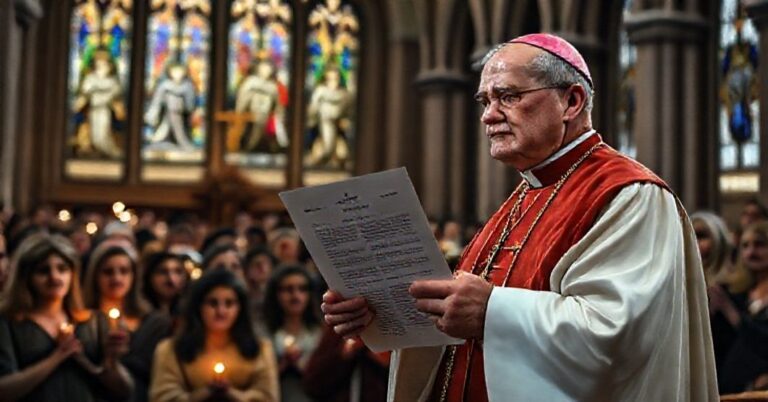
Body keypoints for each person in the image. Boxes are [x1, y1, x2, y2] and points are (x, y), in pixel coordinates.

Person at [321, 33, 718, 401]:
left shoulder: (630, 195)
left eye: (507, 96)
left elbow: (618, 335)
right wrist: (383, 312)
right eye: (485, 101)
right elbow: (458, 323)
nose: (488, 116)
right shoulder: (522, 197)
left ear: (571, 101)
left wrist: (492, 312)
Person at [0, 233, 133, 401]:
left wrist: (111, 361)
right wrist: (56, 357)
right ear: (27, 276)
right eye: (43, 270)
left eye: (62, 269)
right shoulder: (10, 323)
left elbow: (123, 391)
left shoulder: (92, 322)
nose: (54, 277)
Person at [149, 269, 279, 402]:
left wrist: (232, 394)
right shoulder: (170, 349)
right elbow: (163, 397)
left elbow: (267, 397)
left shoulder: (261, 348)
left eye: (229, 303)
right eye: (213, 303)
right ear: (198, 307)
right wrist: (205, 392)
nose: (221, 311)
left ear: (240, 308)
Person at [82, 239, 172, 402]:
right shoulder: (84, 321)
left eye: (124, 271)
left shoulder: (155, 323)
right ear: (95, 276)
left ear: (134, 276)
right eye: (108, 272)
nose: (117, 278)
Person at [716, 222, 768, 393]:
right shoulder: (737, 294)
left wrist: (732, 314)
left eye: (759, 244)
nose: (751, 252)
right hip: (730, 391)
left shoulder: (730, 305)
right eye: (745, 246)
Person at [263, 266, 321, 402]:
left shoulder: (320, 332)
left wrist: (300, 365)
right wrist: (283, 364)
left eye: (302, 289)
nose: (296, 296)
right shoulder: (265, 334)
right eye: (288, 289)